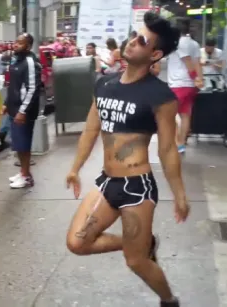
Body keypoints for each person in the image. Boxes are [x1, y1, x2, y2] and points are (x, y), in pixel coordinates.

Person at [65, 12, 189, 307]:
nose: (133, 41)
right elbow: (91, 129)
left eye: (142, 40)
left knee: (136, 262)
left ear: (154, 54)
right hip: (108, 183)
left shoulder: (160, 95)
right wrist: (75, 168)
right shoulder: (104, 84)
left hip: (138, 188)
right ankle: (146, 243)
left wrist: (180, 195)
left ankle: (169, 299)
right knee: (77, 243)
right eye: (135, 35)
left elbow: (168, 149)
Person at [4, 32, 42, 189]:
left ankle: (26, 176)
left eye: (19, 43)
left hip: (23, 112)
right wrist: (7, 104)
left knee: (24, 145)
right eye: (15, 42)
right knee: (18, 145)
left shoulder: (30, 62)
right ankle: (24, 172)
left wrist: (22, 111)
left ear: (28, 45)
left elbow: (33, 88)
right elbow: (13, 85)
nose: (15, 45)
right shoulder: (16, 60)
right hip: (14, 109)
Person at [167, 17, 202, 153]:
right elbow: (197, 63)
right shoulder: (194, 43)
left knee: (168, 115)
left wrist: (195, 78)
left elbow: (189, 64)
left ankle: (177, 142)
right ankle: (181, 144)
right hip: (189, 86)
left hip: (178, 83)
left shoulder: (179, 43)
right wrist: (199, 80)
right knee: (185, 115)